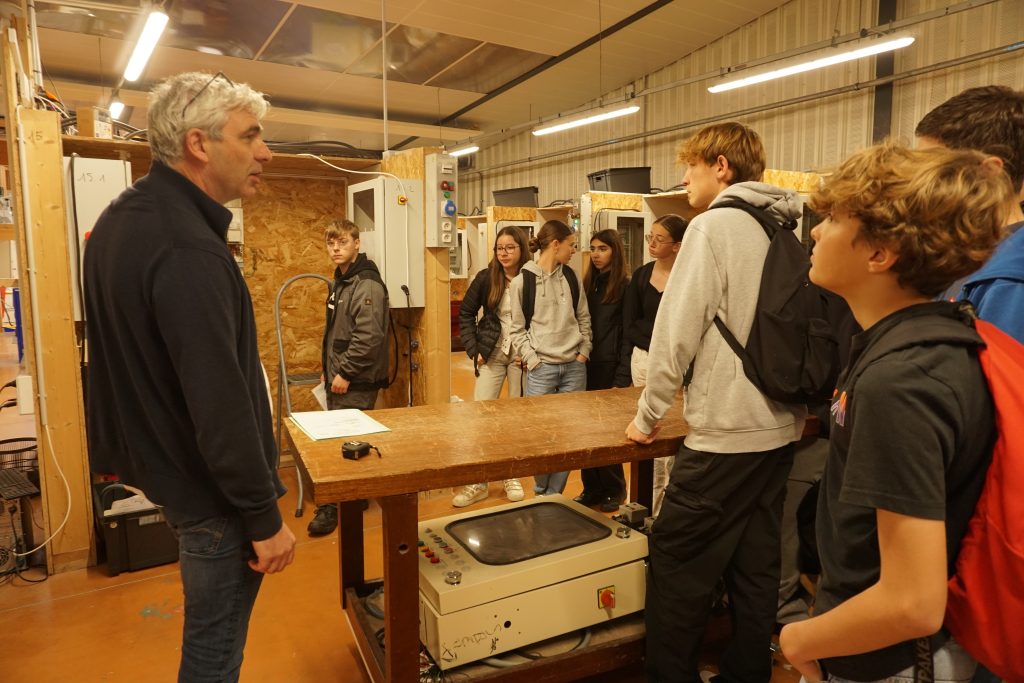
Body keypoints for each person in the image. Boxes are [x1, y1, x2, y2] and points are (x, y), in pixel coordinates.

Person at [84, 71, 296, 683]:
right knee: (212, 656)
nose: (265, 152)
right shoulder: (188, 249)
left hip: (171, 475)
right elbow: (219, 400)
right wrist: (262, 517)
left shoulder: (121, 219)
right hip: (215, 499)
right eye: (250, 136)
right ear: (199, 144)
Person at [778, 143, 1013, 682]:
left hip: (893, 661)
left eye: (834, 219)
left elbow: (912, 602)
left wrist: (799, 638)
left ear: (880, 253)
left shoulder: (902, 381)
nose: (816, 232)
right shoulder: (927, 340)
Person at [625, 121, 804, 683]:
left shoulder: (712, 227)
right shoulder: (783, 226)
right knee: (755, 566)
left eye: (691, 167)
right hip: (780, 428)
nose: (684, 179)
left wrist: (647, 416)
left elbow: (674, 333)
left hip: (725, 433)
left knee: (677, 563)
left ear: (721, 167)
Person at [916, 85, 1024, 343]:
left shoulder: (1009, 281)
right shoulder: (964, 257)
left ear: (990, 173)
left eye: (933, 168)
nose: (917, 182)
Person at [307, 218, 391, 536]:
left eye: (342, 242)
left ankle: (332, 507)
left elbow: (369, 337)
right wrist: (328, 369)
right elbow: (338, 333)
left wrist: (344, 372)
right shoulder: (342, 280)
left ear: (357, 243)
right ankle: (354, 499)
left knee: (342, 442)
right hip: (341, 375)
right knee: (346, 440)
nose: (336, 248)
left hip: (355, 379)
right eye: (331, 243)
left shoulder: (365, 284)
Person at [451, 226, 531, 507]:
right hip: (492, 354)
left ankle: (511, 475)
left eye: (510, 247)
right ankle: (479, 481)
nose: (504, 253)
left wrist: (532, 351)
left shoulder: (531, 277)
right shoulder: (486, 277)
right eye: (499, 248)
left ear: (521, 249)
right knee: (481, 417)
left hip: (521, 357)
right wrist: (474, 350)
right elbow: (466, 312)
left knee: (515, 420)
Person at [511, 220, 592, 495]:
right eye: (571, 245)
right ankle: (540, 490)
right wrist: (533, 360)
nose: (574, 250)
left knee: (568, 436)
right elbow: (516, 330)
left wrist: (583, 352)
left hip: (574, 367)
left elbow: (583, 318)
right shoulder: (522, 282)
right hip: (541, 369)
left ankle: (554, 495)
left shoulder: (572, 277)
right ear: (555, 245)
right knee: (539, 435)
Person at [615, 213, 688, 516]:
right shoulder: (642, 275)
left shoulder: (688, 276)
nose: (652, 244)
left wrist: (667, 345)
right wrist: (655, 342)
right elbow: (630, 323)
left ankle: (667, 508)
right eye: (650, 237)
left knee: (674, 429)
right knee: (647, 428)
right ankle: (646, 503)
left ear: (677, 245)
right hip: (644, 359)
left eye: (659, 239)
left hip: (678, 361)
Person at [574, 228, 629, 512]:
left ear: (615, 252)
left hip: (610, 366)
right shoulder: (588, 284)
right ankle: (592, 488)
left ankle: (614, 489)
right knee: (586, 430)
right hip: (585, 364)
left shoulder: (625, 286)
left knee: (607, 431)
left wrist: (622, 375)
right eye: (593, 248)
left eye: (603, 249)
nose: (596, 254)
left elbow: (627, 334)